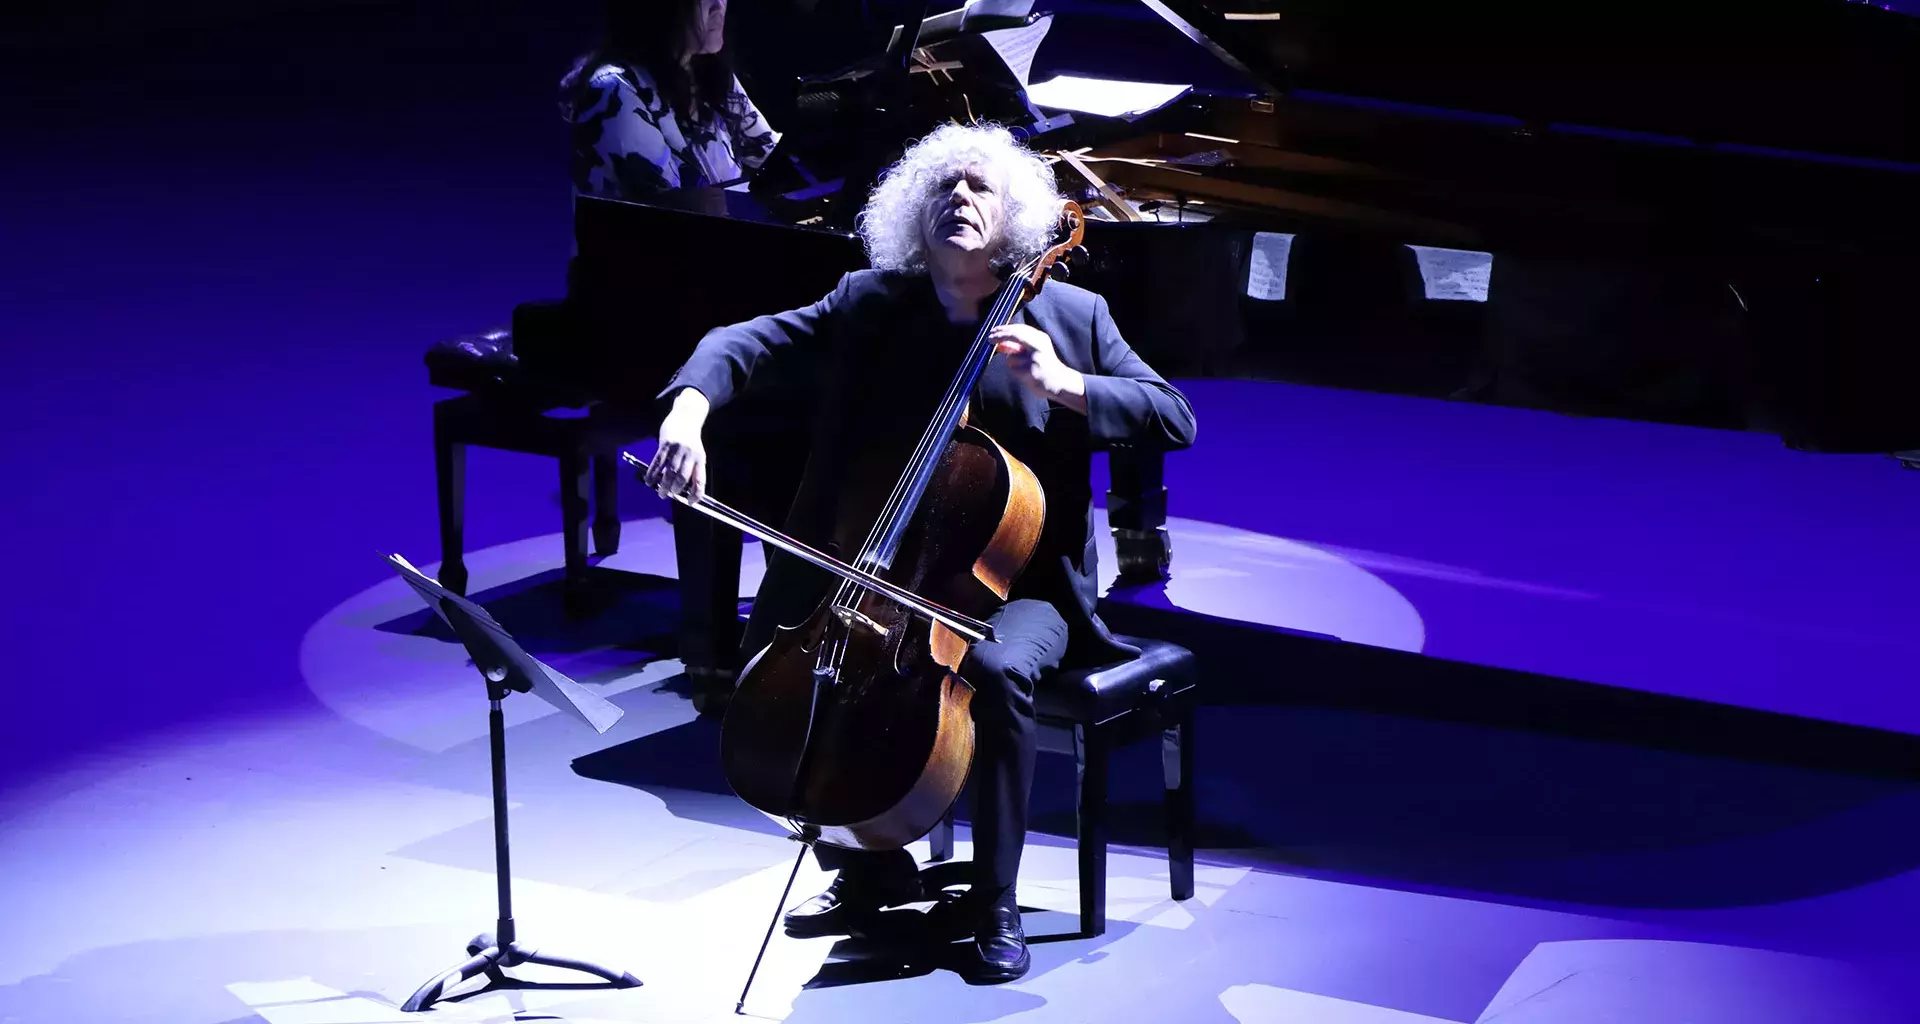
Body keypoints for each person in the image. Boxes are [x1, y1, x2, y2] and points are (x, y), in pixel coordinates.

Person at [643, 123, 1197, 983]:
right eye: (942, 188)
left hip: (1022, 581)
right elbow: (739, 342)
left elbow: (1173, 416)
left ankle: (995, 899)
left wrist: (1066, 387)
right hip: (882, 566)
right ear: (914, 213)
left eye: (979, 186)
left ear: (1015, 215)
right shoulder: (870, 302)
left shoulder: (1071, 316)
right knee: (793, 640)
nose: (959, 200)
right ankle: (865, 864)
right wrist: (686, 411)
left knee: (1002, 670)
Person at [562, 0, 779, 200]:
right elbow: (671, 220)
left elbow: (775, 162)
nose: (718, 5)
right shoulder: (616, 87)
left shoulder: (712, 74)